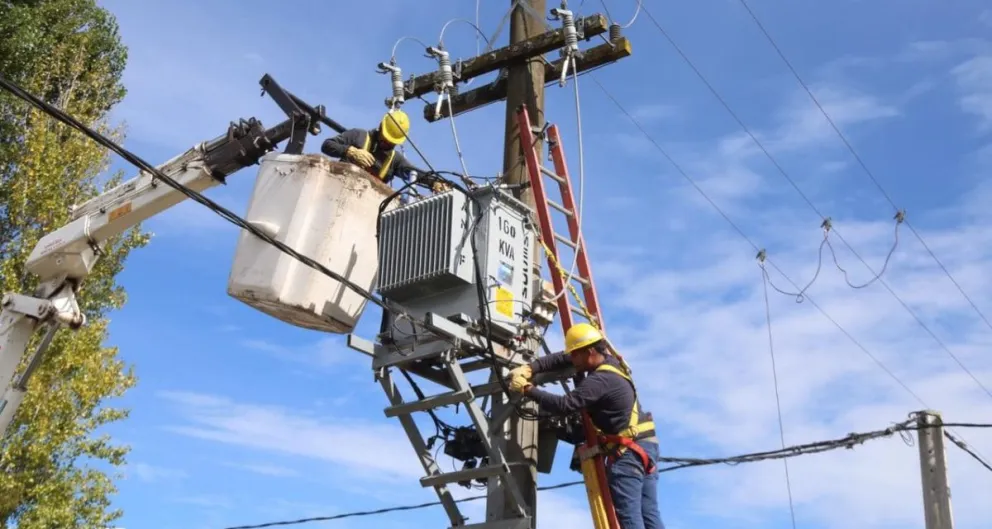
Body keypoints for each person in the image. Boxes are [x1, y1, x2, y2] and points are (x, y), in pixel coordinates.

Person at [509, 323, 665, 529]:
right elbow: (564, 357)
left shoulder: (600, 380)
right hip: (646, 446)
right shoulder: (610, 363)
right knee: (650, 514)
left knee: (629, 516)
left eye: (575, 355)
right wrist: (532, 367)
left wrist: (528, 389)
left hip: (628, 453)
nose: (571, 360)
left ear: (590, 352)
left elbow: (564, 405)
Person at [320, 108, 449, 193]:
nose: (387, 144)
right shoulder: (358, 136)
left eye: (391, 142)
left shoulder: (394, 160)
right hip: (336, 191)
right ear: (381, 127)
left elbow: (413, 173)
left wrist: (433, 182)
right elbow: (327, 145)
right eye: (385, 139)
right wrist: (350, 151)